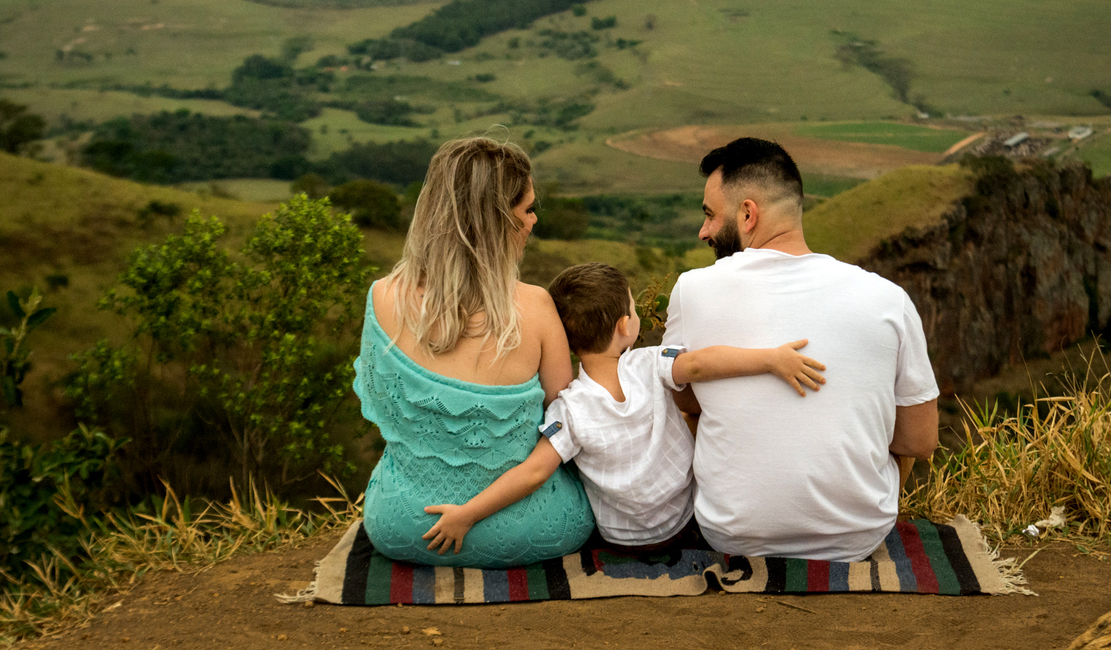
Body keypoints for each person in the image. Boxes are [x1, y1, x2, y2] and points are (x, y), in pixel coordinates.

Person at [421, 262, 827, 555]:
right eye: (633, 309)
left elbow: (533, 472)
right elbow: (702, 364)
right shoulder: (651, 363)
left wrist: (468, 514)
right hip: (686, 519)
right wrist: (772, 359)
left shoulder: (569, 408)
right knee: (701, 420)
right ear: (623, 326)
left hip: (621, 539)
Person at [662, 137, 940, 562]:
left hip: (732, 536)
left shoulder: (692, 290)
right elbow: (920, 440)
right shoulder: (888, 299)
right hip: (858, 540)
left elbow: (682, 397)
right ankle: (848, 507)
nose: (703, 231)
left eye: (710, 216)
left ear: (748, 214)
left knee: (691, 398)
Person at [352, 137, 594, 568]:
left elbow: (388, 414)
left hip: (402, 528)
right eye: (527, 209)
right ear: (498, 221)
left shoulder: (382, 297)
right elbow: (568, 424)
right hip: (530, 531)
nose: (534, 220)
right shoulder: (537, 308)